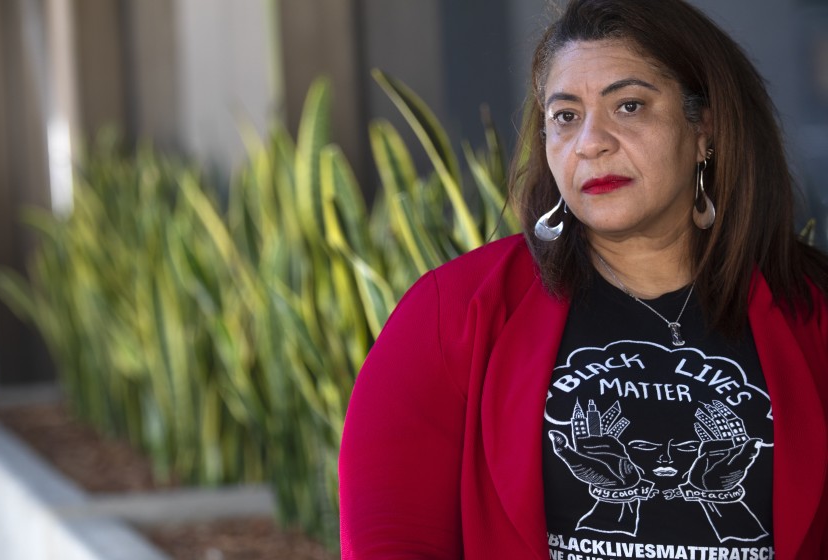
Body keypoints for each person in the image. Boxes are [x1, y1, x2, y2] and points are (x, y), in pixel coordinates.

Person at [339, 0, 828, 558]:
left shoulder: (813, 317)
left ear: (703, 130)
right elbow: (390, 539)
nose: (590, 142)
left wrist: (720, 478)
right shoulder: (450, 314)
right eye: (566, 116)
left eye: (629, 106)